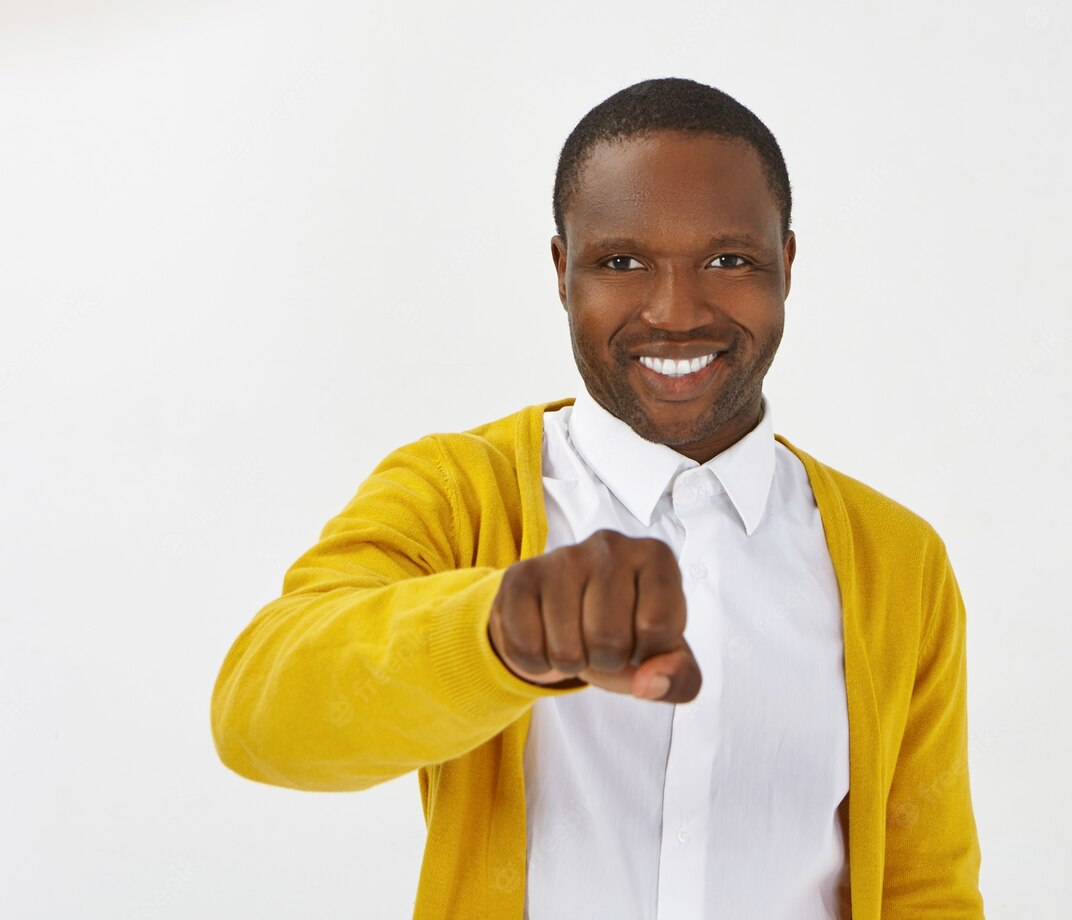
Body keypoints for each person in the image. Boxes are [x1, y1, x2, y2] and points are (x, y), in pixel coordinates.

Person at [210, 76, 985, 920]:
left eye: (728, 260)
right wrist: (501, 631)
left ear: (787, 265)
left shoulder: (898, 560)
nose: (676, 312)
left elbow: (928, 886)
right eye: (622, 262)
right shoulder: (455, 493)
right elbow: (262, 715)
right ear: (561, 270)